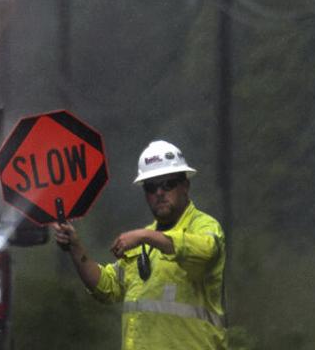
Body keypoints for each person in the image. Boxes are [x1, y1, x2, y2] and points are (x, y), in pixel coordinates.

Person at [54, 138, 226, 349]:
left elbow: (205, 252)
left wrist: (146, 236)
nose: (159, 193)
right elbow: (106, 287)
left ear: (185, 186)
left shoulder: (205, 227)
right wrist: (75, 246)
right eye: (151, 187)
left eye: (168, 184)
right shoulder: (143, 242)